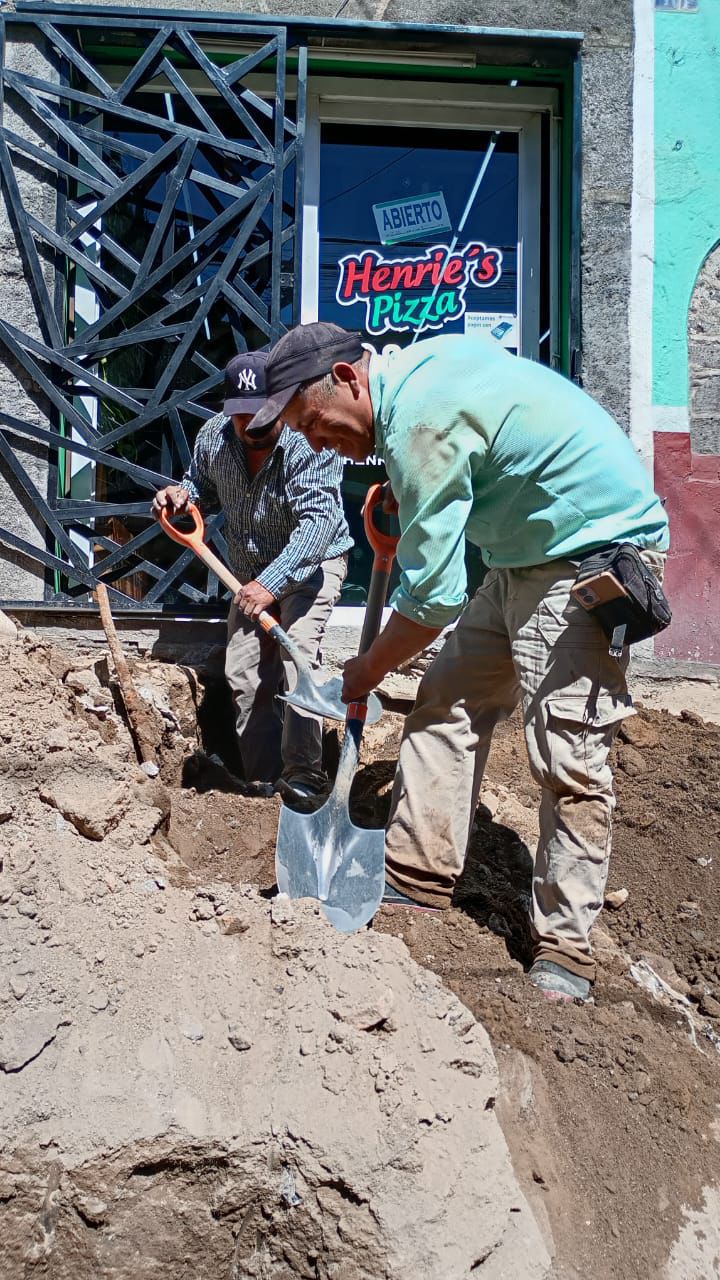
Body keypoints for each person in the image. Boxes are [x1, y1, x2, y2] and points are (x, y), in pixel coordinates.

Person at [247, 322, 670, 1002]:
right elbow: (481, 438)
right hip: (520, 556)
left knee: (567, 753)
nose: (317, 443)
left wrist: (366, 671)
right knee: (447, 700)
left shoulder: (419, 421)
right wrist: (413, 490)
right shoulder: (414, 381)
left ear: (349, 379)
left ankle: (566, 946)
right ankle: (416, 875)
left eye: (314, 424)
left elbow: (433, 601)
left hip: (589, 556)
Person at [152, 350, 351, 802]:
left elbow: (319, 523)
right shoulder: (214, 437)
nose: (250, 424)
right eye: (240, 414)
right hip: (247, 574)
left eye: (260, 413)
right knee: (244, 676)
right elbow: (200, 485)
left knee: (298, 656)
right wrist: (181, 497)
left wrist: (271, 585)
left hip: (312, 565)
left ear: (280, 403)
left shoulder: (308, 441)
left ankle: (304, 777)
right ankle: (265, 785)